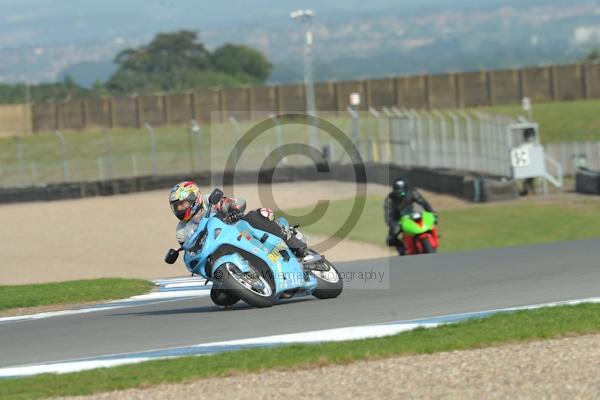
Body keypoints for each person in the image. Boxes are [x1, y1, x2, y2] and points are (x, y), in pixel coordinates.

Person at [169, 180, 307, 258]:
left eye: (183, 204)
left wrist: (234, 209)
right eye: (177, 206)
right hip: (218, 249)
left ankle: (290, 239)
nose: (180, 209)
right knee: (220, 296)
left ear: (194, 197)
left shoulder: (209, 201)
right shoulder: (181, 231)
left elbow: (231, 202)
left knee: (256, 215)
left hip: (239, 231)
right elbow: (190, 250)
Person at [384, 178, 435, 255]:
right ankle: (402, 251)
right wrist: (393, 225)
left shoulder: (412, 193)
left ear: (406, 189)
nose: (400, 195)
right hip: (398, 220)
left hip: (411, 215)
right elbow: (388, 215)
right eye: (397, 193)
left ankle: (434, 239)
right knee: (390, 240)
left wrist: (431, 212)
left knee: (431, 222)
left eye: (402, 193)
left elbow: (423, 202)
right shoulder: (389, 199)